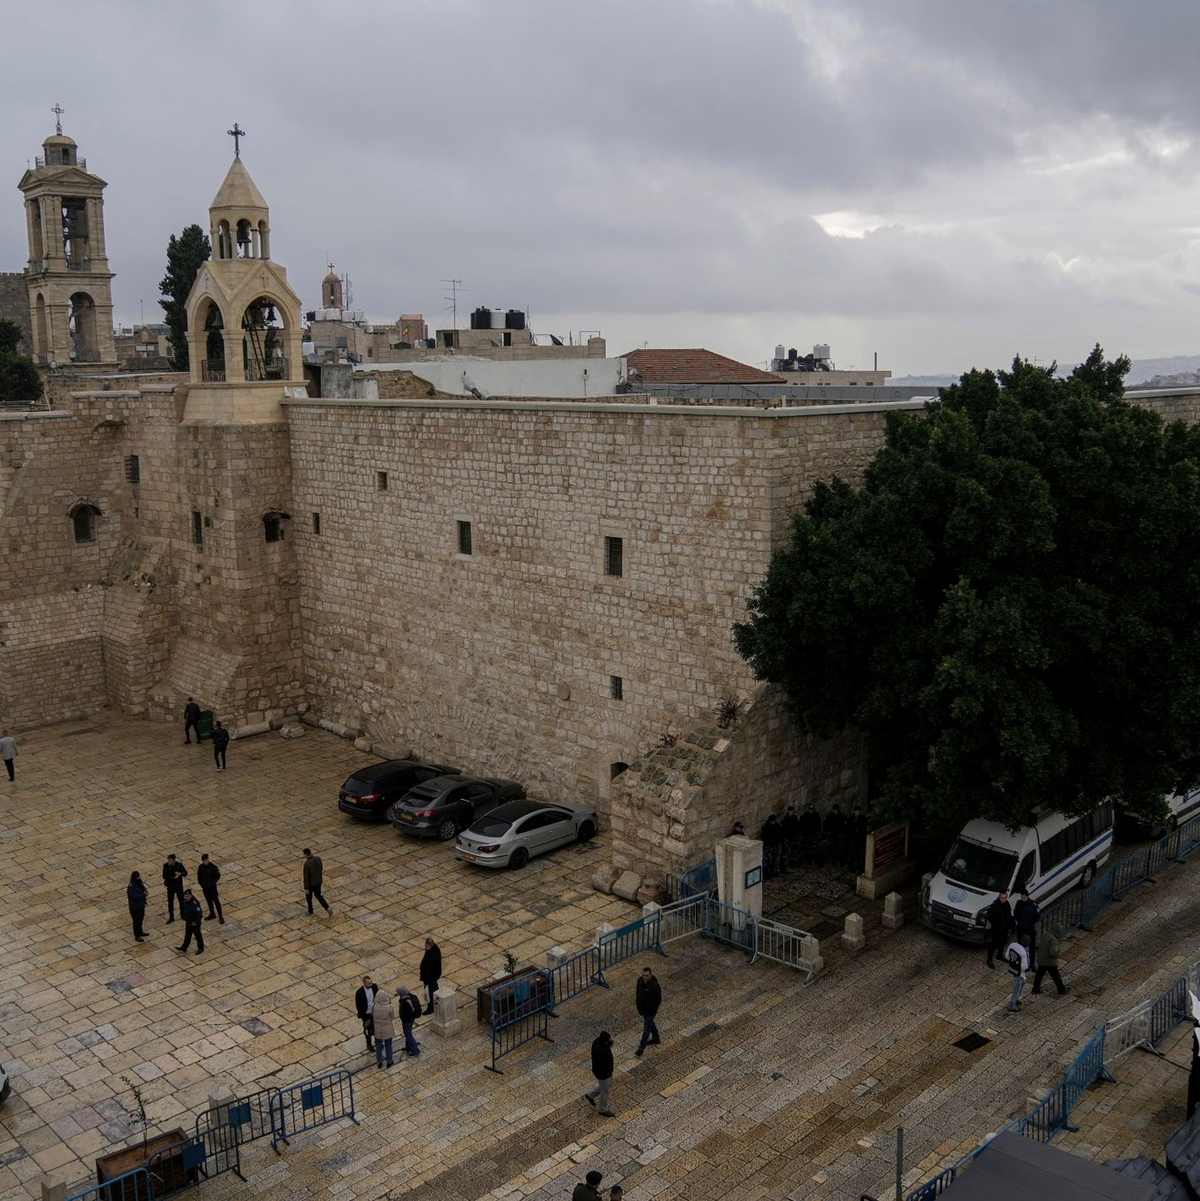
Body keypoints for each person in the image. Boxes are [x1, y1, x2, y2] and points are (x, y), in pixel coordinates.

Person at [584, 1030, 615, 1117]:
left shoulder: (597, 1042)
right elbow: (603, 1064)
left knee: (607, 1085)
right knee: (605, 1091)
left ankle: (591, 1095)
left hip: (603, 1072)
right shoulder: (601, 1050)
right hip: (603, 1074)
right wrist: (608, 1071)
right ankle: (603, 1109)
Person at [1032, 923, 1068, 996]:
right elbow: (1053, 952)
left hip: (1042, 959)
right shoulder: (1053, 940)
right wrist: (1058, 954)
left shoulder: (1045, 934)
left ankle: (1035, 989)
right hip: (1049, 961)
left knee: (1039, 975)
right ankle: (1062, 990)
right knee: (1056, 976)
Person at [635, 966, 662, 1056]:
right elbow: (638, 994)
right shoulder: (640, 981)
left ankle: (641, 1048)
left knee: (646, 1029)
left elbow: (658, 999)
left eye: (646, 975)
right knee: (650, 1023)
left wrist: (652, 1009)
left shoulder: (654, 986)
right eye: (643, 975)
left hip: (650, 1011)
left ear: (650, 975)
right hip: (643, 1009)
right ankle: (656, 1038)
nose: (644, 977)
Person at [984, 891, 1013, 969]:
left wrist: (1009, 925)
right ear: (999, 897)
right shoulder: (994, 906)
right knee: (993, 944)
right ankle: (989, 960)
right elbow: (990, 916)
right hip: (996, 929)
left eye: (1004, 898)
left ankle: (999, 955)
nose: (1003, 900)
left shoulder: (1007, 904)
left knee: (1003, 942)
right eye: (1002, 898)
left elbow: (1009, 916)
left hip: (1005, 929)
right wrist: (996, 925)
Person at [302, 847, 332, 915]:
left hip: (311, 884)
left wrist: (306, 888)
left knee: (309, 898)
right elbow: (321, 868)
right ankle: (327, 908)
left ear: (306, 854)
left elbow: (306, 877)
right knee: (318, 895)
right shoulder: (318, 859)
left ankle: (310, 911)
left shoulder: (307, 864)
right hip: (318, 882)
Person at [371, 987, 395, 1068]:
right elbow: (392, 1017)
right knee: (388, 1045)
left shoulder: (374, 1006)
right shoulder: (389, 1007)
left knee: (378, 1046)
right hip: (387, 1029)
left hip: (378, 1029)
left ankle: (379, 1062)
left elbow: (372, 1014)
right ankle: (389, 1061)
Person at [1005, 934, 1030, 1011]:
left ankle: (1016, 999)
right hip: (1020, 972)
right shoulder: (1023, 952)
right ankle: (1012, 1004)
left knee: (1021, 983)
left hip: (1012, 968)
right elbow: (1024, 967)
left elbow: (1007, 956)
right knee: (1017, 987)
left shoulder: (1012, 945)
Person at [197, 853, 224, 923]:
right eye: (205, 861)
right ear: (202, 861)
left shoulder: (213, 867)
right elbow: (199, 877)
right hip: (205, 888)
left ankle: (220, 916)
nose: (206, 862)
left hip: (212, 888)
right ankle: (212, 913)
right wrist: (202, 884)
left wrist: (213, 883)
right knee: (209, 901)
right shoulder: (200, 867)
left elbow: (217, 875)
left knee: (216, 902)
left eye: (207, 860)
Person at [396, 985, 422, 1057]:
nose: (397, 993)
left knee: (408, 1035)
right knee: (407, 1033)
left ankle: (415, 1051)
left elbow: (408, 1012)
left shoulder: (405, 1001)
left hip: (407, 1020)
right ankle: (408, 1047)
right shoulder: (411, 996)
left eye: (398, 992)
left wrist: (402, 1016)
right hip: (410, 1019)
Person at [177, 889, 205, 955]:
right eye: (185, 896)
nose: (187, 898)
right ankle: (184, 947)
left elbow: (199, 914)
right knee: (187, 935)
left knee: (198, 936)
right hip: (188, 921)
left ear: (191, 895)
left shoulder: (195, 903)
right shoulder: (185, 901)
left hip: (195, 923)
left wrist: (195, 922)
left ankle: (201, 948)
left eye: (188, 896)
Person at [354, 975, 377, 1052]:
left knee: (376, 1027)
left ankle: (377, 1041)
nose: (370, 985)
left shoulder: (374, 987)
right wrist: (361, 1014)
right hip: (366, 1014)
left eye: (371, 983)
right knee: (368, 1029)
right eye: (368, 983)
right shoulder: (359, 992)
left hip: (374, 1011)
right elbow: (358, 1004)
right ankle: (369, 1044)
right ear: (364, 983)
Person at [419, 937, 442, 1015]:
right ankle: (439, 999)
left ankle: (431, 1008)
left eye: (425, 945)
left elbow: (430, 969)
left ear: (429, 945)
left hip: (430, 978)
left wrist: (426, 980)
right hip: (432, 977)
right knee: (434, 988)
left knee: (430, 992)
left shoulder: (433, 955)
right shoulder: (432, 950)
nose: (424, 946)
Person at [162, 854, 188, 923]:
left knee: (181, 901)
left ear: (174, 861)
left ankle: (182, 914)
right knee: (170, 902)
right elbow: (164, 876)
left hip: (178, 886)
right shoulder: (166, 866)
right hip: (170, 887)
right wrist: (173, 877)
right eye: (168, 861)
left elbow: (185, 872)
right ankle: (171, 917)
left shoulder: (179, 865)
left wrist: (179, 874)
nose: (169, 862)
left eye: (170, 861)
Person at [127, 871, 149, 942]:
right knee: (136, 921)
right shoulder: (131, 887)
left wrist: (145, 891)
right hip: (135, 907)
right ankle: (137, 935)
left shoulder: (138, 882)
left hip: (141, 906)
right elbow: (135, 897)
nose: (139, 878)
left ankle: (140, 931)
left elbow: (143, 887)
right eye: (138, 877)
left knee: (141, 919)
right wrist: (144, 895)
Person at [760, 813, 783, 877]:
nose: (773, 822)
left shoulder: (777, 826)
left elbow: (780, 834)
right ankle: (766, 873)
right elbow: (763, 836)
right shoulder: (766, 827)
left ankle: (773, 872)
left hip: (775, 845)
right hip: (769, 846)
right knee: (767, 860)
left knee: (774, 859)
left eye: (773, 821)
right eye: (772, 821)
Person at [781, 806, 801, 872]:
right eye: (790, 812)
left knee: (793, 852)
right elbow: (783, 829)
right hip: (787, 838)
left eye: (792, 812)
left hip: (793, 838)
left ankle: (792, 864)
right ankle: (785, 866)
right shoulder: (785, 819)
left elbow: (797, 827)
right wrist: (785, 838)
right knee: (786, 853)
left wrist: (796, 835)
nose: (791, 813)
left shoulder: (795, 818)